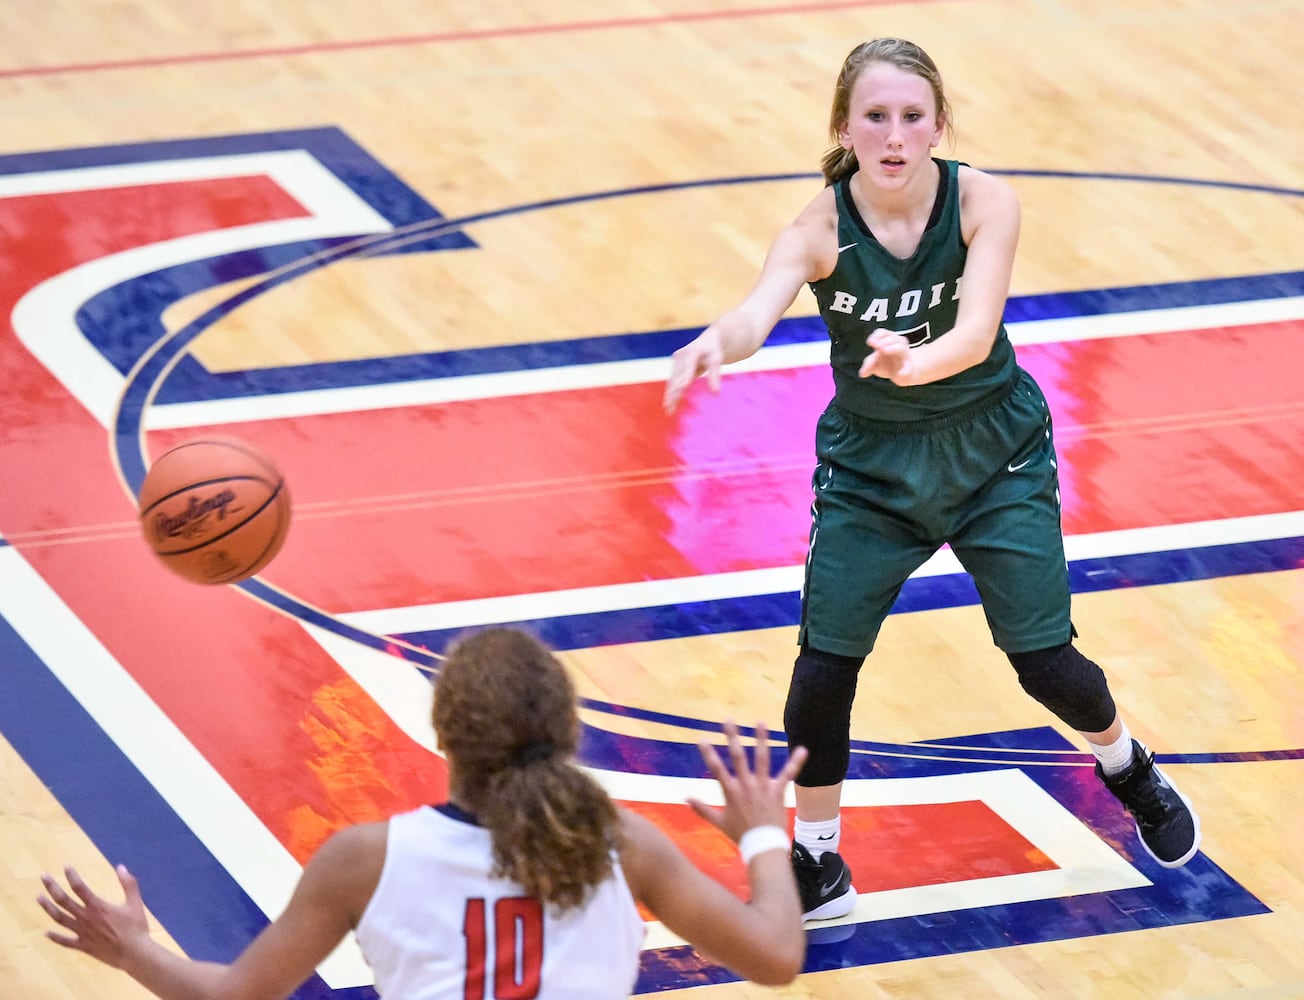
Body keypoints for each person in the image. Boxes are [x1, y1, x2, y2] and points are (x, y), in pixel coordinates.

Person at [662, 37, 1201, 922]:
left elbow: (978, 333)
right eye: (875, 116)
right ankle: (820, 860)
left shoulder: (987, 200)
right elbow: (760, 309)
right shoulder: (815, 230)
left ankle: (1125, 764)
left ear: (940, 125)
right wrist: (716, 342)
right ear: (844, 127)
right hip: (873, 472)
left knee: (1044, 665)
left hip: (996, 455)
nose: (895, 134)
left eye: (913, 116)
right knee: (823, 668)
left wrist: (914, 365)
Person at [37, 627, 809, 998]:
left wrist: (134, 949)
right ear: (569, 734)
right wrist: (764, 835)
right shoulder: (622, 843)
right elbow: (777, 957)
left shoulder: (363, 859)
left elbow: (237, 998)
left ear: (441, 736)